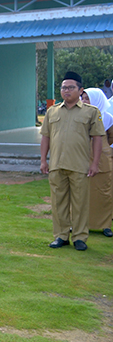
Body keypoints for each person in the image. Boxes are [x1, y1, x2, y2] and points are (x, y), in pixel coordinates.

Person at [40, 71, 105, 251]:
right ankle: (61, 236)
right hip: (57, 165)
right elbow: (45, 136)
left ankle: (79, 237)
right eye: (63, 87)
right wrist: (43, 161)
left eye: (70, 87)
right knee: (58, 203)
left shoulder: (91, 112)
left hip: (79, 166)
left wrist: (95, 163)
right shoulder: (52, 111)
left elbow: (98, 138)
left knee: (80, 203)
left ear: (80, 89)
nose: (66, 91)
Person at [81, 88, 113, 238]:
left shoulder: (108, 118)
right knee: (81, 192)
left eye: (88, 99)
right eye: (83, 98)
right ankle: (80, 224)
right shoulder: (79, 116)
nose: (84, 102)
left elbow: (111, 137)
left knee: (104, 193)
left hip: (103, 160)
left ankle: (104, 225)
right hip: (82, 157)